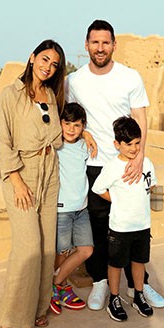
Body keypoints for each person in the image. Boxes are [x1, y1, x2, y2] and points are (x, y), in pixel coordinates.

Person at [66, 19, 164, 311]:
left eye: (105, 42)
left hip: (126, 165)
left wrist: (138, 156)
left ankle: (141, 285)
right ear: (86, 45)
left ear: (114, 45)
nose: (100, 48)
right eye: (95, 42)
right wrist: (84, 133)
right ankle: (101, 283)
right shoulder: (74, 81)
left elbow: (140, 117)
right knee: (99, 229)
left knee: (134, 228)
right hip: (93, 165)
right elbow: (71, 117)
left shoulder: (130, 77)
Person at [0, 39, 66, 328]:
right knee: (28, 247)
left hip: (50, 173)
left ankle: (37, 309)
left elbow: (63, 130)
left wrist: (85, 134)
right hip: (22, 173)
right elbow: (3, 141)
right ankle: (12, 316)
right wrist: (16, 180)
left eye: (54, 65)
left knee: (47, 247)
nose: (48, 67)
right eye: (45, 59)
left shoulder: (51, 94)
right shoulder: (10, 95)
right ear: (32, 57)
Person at [91, 116, 157, 321]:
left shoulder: (146, 162)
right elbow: (97, 188)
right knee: (116, 263)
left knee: (139, 261)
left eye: (137, 143)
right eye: (128, 144)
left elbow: (151, 184)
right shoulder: (112, 167)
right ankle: (114, 298)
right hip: (120, 227)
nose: (134, 148)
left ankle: (138, 295)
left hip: (142, 225)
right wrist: (117, 200)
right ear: (116, 144)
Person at [50, 102, 94, 315]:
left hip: (82, 209)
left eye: (76, 125)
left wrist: (87, 135)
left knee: (86, 250)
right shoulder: (56, 145)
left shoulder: (85, 145)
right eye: (66, 123)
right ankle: (61, 287)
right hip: (62, 209)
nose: (70, 129)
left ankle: (56, 284)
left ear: (83, 126)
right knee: (62, 252)